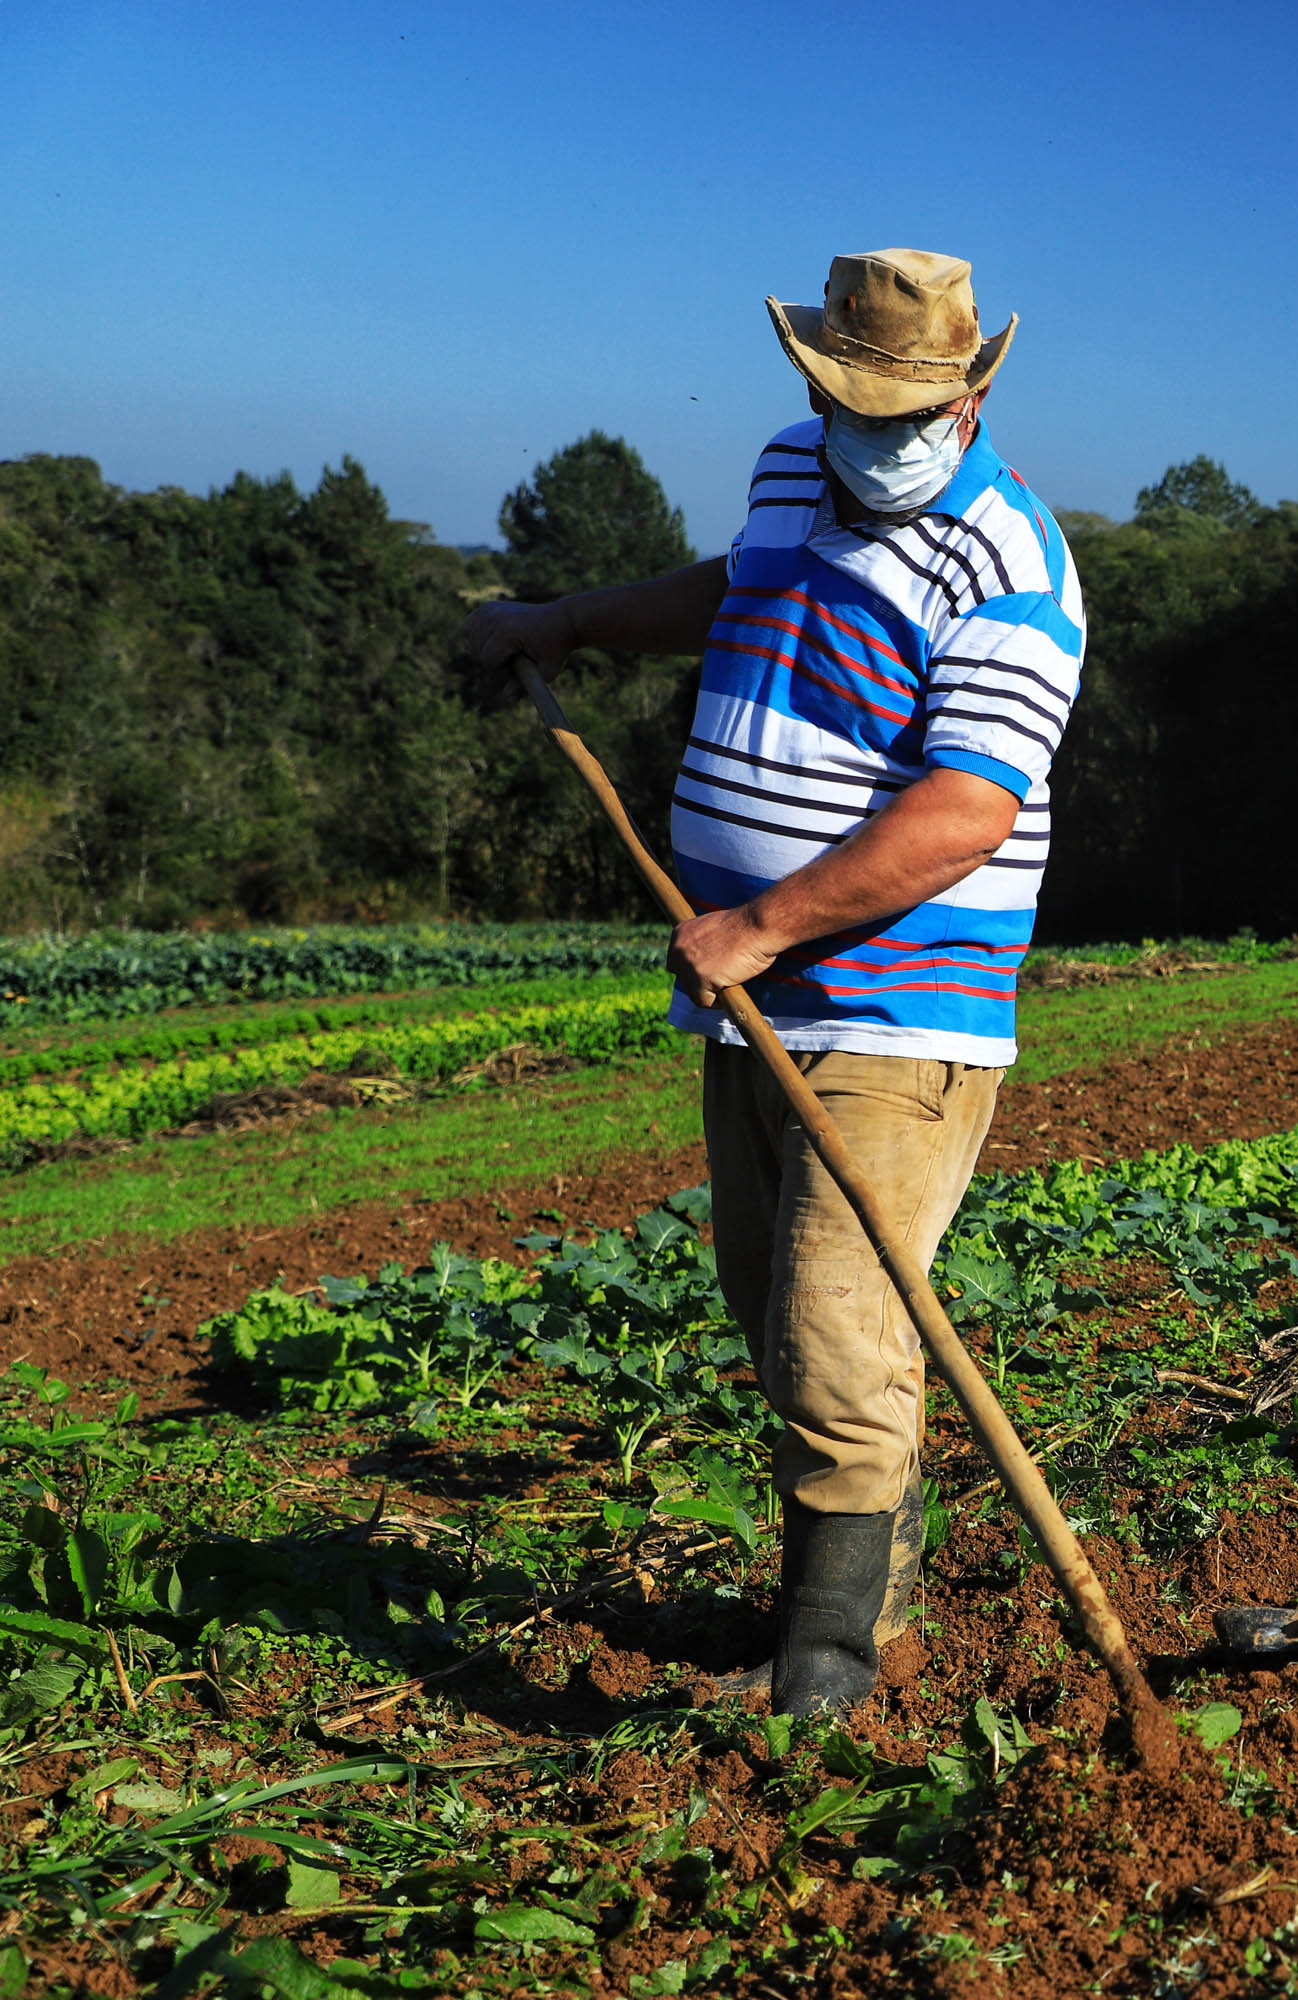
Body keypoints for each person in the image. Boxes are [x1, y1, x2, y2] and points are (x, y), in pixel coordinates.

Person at [463, 249, 1085, 1717]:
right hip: (760, 999)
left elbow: (967, 811)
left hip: (896, 998)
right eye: (848, 400)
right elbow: (732, 587)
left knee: (832, 1323)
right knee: (782, 1314)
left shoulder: (1013, 564)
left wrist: (766, 923)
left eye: (905, 406)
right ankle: (883, 1604)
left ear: (975, 389)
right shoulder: (794, 471)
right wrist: (569, 620)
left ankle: (830, 1669)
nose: (873, 430)